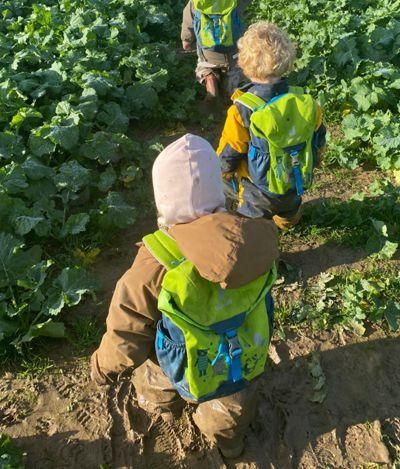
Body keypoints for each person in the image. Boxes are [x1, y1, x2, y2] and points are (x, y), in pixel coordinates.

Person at [91, 134, 278, 459]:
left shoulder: (156, 260)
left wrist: (101, 368)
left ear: (163, 201)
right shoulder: (253, 239)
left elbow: (126, 332)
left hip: (180, 359)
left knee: (154, 378)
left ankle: (164, 409)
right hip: (240, 355)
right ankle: (230, 445)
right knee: (231, 408)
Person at [217, 21, 326, 230]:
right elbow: (319, 137)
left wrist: (223, 172)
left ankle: (259, 233)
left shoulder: (241, 109)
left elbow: (231, 151)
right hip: (295, 179)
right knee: (290, 206)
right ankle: (288, 221)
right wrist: (316, 159)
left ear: (244, 64)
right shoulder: (306, 102)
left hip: (257, 190)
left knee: (250, 222)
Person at [181, 0, 255, 99]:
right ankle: (232, 86)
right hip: (233, 54)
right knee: (238, 71)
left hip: (209, 55)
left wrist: (188, 43)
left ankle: (209, 77)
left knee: (203, 66)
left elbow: (187, 35)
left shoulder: (195, 0)